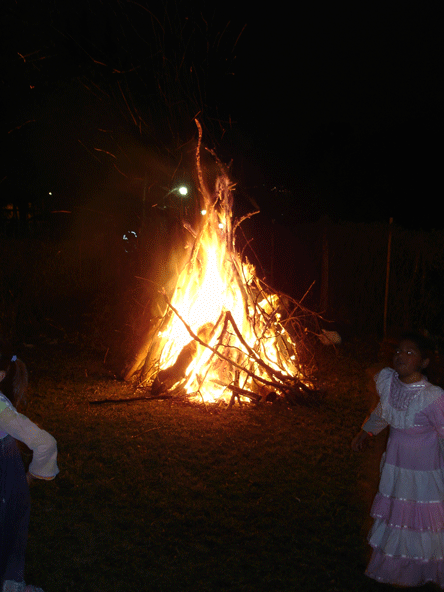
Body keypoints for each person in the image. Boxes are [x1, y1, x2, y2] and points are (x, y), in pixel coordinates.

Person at [352, 333, 444, 588]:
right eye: (398, 351)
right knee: (398, 518)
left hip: (424, 475)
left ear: (424, 362)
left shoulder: (433, 397)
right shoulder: (390, 384)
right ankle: (398, 569)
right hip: (397, 469)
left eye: (410, 352)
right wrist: (365, 432)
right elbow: (384, 412)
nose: (401, 356)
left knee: (422, 521)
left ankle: (425, 568)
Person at [0, 345, 59, 592]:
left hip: (5, 481)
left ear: (1, 375)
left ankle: (11, 584)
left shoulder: (1, 411)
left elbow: (45, 442)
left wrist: (31, 476)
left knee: (7, 532)